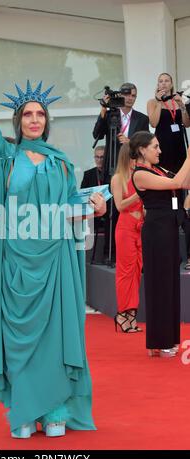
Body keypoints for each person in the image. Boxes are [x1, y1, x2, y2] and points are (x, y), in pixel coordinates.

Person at [0, 46, 106, 438]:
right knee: (18, 340)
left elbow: (69, 211)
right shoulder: (5, 157)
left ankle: (55, 408)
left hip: (55, 263)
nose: (34, 119)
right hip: (15, 265)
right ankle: (25, 411)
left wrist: (93, 210)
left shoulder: (61, 163)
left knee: (54, 337)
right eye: (28, 113)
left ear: (48, 120)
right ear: (17, 119)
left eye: (40, 114)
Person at [131, 131, 190, 357]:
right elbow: (176, 181)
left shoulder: (159, 169)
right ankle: (159, 340)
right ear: (142, 150)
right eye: (155, 147)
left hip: (169, 229)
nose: (160, 151)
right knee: (160, 285)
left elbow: (181, 182)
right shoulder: (140, 174)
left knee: (170, 285)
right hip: (156, 232)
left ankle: (169, 339)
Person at [93, 83, 149, 264]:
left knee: (130, 208)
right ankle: (110, 253)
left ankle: (133, 251)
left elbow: (146, 143)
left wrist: (130, 141)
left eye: (134, 95)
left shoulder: (141, 118)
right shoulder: (110, 115)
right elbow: (97, 134)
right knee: (111, 212)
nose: (130, 98)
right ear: (121, 95)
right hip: (112, 168)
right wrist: (103, 109)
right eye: (127, 94)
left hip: (132, 168)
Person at [111, 143, 144, 333]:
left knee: (137, 272)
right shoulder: (118, 178)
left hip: (140, 228)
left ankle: (131, 315)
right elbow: (119, 205)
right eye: (135, 156)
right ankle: (122, 314)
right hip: (125, 228)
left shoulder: (139, 176)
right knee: (125, 273)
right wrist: (137, 194)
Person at [147, 73, 190, 175]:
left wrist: (181, 105)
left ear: (171, 84)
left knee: (180, 173)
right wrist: (159, 102)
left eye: (166, 81)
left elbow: (187, 124)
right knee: (164, 173)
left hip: (178, 142)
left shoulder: (178, 100)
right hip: (162, 143)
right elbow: (153, 123)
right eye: (161, 81)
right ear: (158, 85)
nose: (163, 84)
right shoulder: (152, 102)